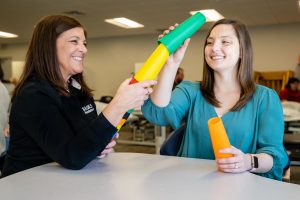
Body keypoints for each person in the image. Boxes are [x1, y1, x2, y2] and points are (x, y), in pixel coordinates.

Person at [1, 15, 156, 177]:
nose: (83, 49)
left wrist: (98, 145)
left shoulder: (77, 90)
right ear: (48, 46)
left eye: (84, 43)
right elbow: (72, 157)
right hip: (25, 184)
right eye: (74, 41)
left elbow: (84, 140)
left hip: (64, 182)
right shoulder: (33, 94)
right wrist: (118, 104)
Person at [142, 19, 288, 180]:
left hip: (239, 190)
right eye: (209, 42)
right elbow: (157, 114)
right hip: (187, 186)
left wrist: (247, 161)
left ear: (242, 51)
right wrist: (170, 63)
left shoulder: (265, 98)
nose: (214, 48)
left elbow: (274, 157)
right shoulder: (190, 91)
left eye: (225, 41)